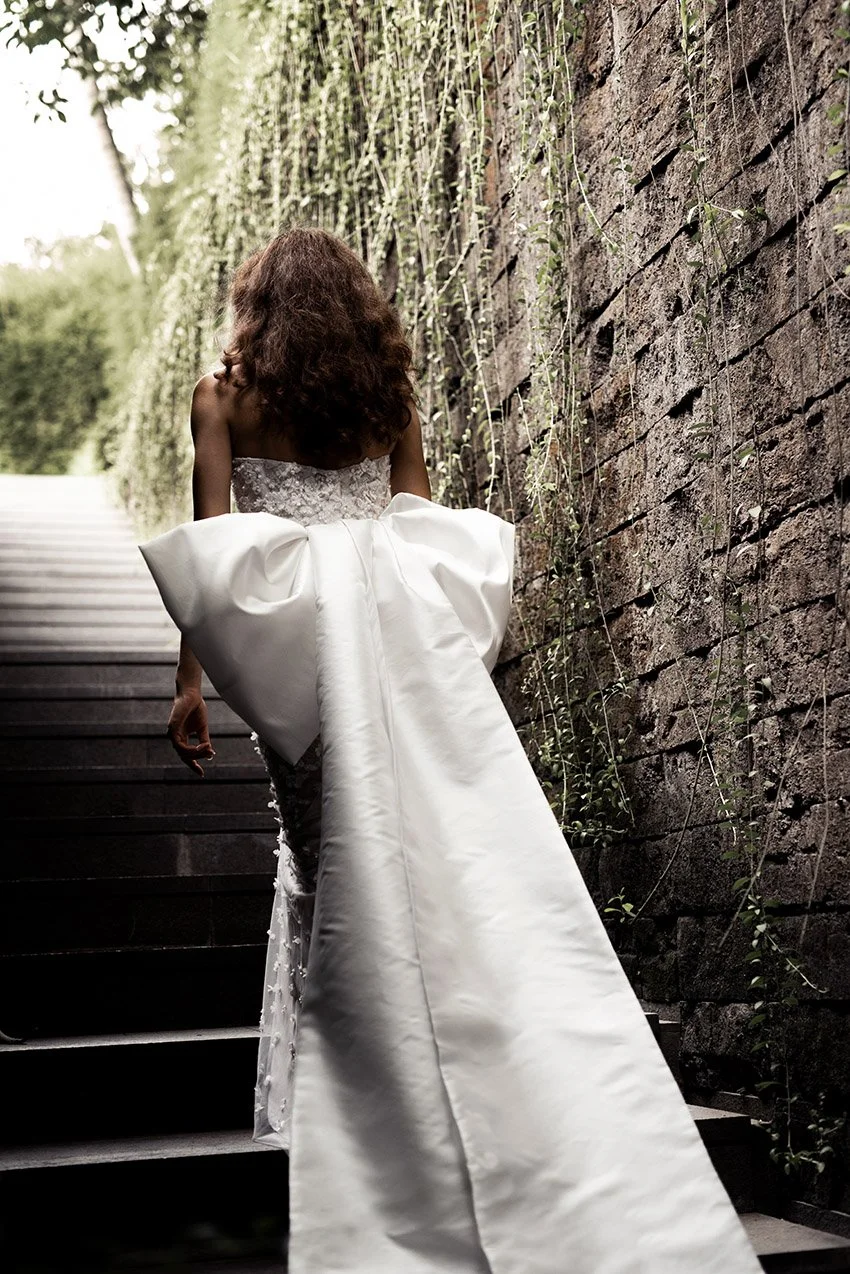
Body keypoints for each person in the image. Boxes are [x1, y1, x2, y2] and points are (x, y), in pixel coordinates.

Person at [140, 225, 765, 1273]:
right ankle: (412, 1081)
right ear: (350, 306)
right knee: (413, 841)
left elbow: (216, 556)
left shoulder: (223, 394)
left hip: (297, 655)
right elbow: (417, 516)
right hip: (394, 636)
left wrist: (191, 682)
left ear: (256, 308)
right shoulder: (384, 387)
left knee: (319, 853)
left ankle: (341, 1102)